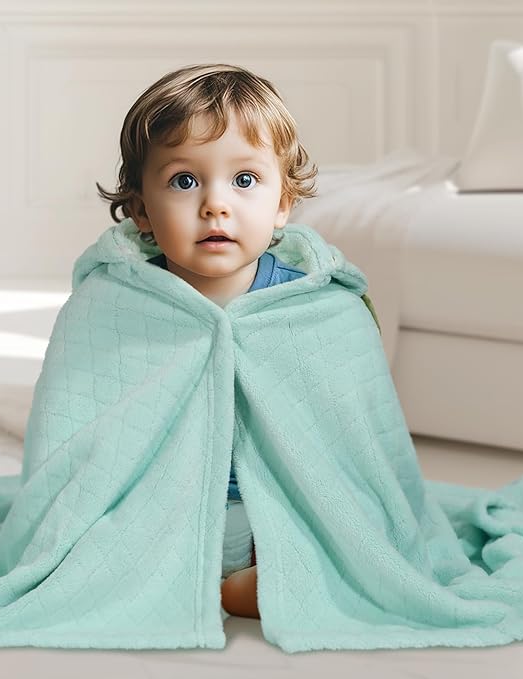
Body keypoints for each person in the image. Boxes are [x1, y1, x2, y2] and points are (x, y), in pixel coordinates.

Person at [96, 63, 319, 620]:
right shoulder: (122, 303)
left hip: (270, 508)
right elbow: (91, 428)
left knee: (332, 548)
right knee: (97, 548)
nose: (215, 204)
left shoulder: (307, 304)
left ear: (283, 202)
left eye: (244, 180)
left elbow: (343, 434)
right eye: (184, 181)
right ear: (141, 209)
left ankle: (236, 585)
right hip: (164, 508)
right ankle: (190, 581)